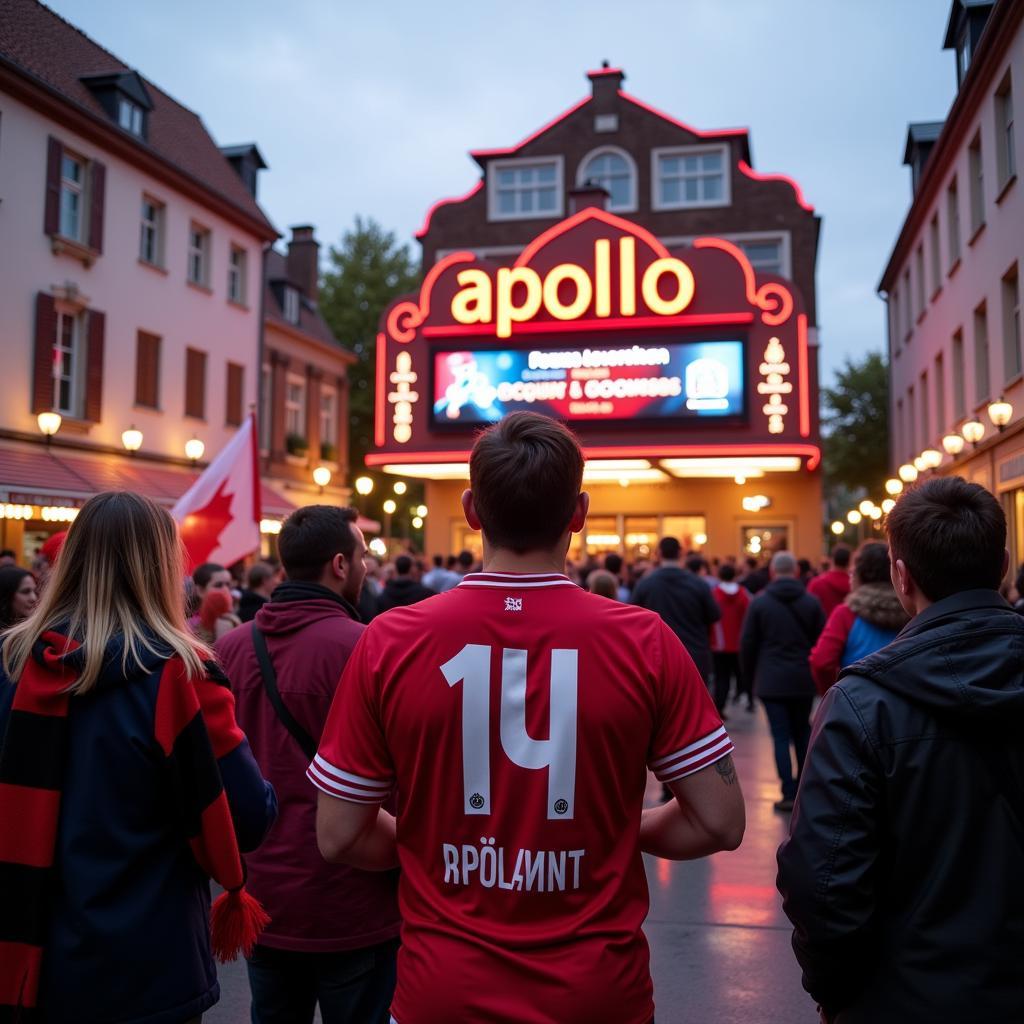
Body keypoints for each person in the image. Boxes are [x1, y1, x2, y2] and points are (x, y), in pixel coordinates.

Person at [310, 411, 744, 1024]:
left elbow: (340, 834)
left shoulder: (391, 640)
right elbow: (719, 823)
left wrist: (433, 844)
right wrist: (621, 831)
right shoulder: (644, 641)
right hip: (599, 994)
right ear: (579, 512)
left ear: (471, 510)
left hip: (442, 993)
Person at [0, 491, 277, 1024]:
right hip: (150, 965)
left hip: (31, 958)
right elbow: (249, 818)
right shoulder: (181, 677)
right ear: (162, 568)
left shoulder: (13, 666)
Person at [777, 477, 1024, 1023]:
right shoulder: (865, 702)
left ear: (900, 574)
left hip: (911, 995)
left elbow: (821, 880)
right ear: (1002, 564)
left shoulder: (863, 703)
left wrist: (838, 993)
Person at [217, 506, 401, 1024]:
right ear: (340, 565)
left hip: (263, 896)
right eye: (363, 555)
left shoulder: (228, 650)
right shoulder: (368, 648)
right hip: (355, 897)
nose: (367, 567)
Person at [740, 551, 825, 812]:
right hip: (801, 678)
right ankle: (803, 789)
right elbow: (821, 640)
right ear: (796, 572)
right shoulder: (811, 602)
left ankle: (787, 791)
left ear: (773, 572)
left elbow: (748, 644)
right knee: (802, 733)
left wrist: (749, 678)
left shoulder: (760, 603)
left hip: (771, 678)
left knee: (779, 736)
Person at [809, 541, 909, 693]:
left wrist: (832, 694)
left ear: (858, 574)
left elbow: (821, 662)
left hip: (856, 700)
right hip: (903, 699)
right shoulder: (909, 612)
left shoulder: (846, 613)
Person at [631, 536, 721, 682]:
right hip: (694, 654)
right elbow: (714, 615)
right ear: (680, 553)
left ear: (658, 553)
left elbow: (633, 618)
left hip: (657, 656)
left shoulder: (645, 584)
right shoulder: (698, 583)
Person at [711, 563, 751, 715]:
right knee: (741, 674)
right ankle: (747, 699)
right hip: (739, 642)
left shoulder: (714, 594)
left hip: (719, 643)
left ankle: (719, 707)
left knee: (722, 678)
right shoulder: (743, 594)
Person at [807, 544, 851, 616]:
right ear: (849, 562)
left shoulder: (816, 584)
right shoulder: (854, 586)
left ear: (831, 560)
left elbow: (808, 609)